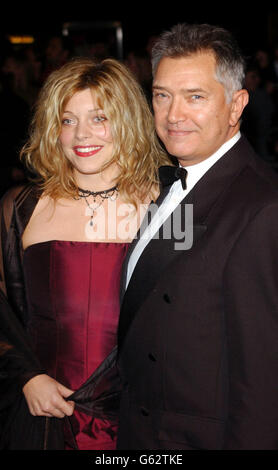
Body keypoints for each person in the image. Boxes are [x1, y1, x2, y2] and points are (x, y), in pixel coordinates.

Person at [116, 23, 278, 450]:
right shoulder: (176, 181)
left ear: (236, 104)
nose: (173, 115)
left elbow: (263, 381)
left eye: (195, 97)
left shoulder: (262, 208)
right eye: (162, 95)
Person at [0, 57, 169, 450]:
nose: (81, 134)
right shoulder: (21, 209)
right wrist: (26, 376)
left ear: (128, 121)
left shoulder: (170, 208)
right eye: (67, 120)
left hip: (140, 417)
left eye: (99, 118)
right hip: (45, 418)